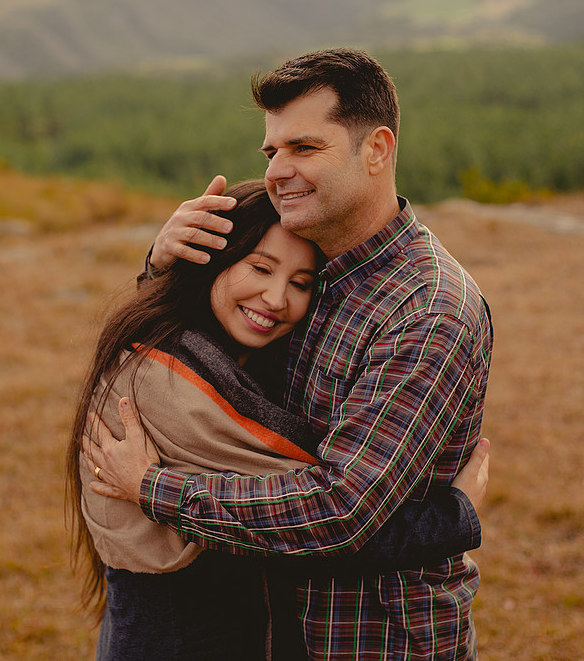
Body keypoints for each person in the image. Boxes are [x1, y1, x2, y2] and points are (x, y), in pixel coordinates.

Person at [84, 48, 494, 659]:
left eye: (305, 148)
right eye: (271, 151)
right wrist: (165, 272)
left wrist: (153, 487)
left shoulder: (426, 312)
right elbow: (202, 377)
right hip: (275, 626)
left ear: (377, 150)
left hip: (369, 640)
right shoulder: (317, 266)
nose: (280, 170)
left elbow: (341, 510)